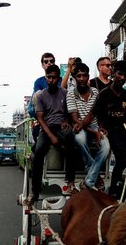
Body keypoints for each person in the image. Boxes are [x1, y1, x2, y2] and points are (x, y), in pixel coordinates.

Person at [83, 61, 126, 199]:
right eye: (120, 74)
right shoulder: (104, 93)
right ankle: (112, 190)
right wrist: (81, 124)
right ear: (113, 74)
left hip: (123, 131)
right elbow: (92, 113)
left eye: (125, 75)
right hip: (109, 131)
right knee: (122, 160)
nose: (123, 78)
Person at [27, 65, 77, 204]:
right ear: (46, 78)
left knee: (71, 141)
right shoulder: (41, 95)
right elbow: (40, 118)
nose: (51, 80)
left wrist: (66, 121)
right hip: (46, 128)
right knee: (37, 153)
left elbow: (69, 112)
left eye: (54, 77)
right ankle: (35, 192)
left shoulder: (65, 93)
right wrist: (52, 137)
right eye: (49, 77)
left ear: (58, 78)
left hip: (61, 126)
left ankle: (70, 181)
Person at [66, 63, 110, 191]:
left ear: (88, 77)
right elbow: (75, 119)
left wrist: (99, 128)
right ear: (75, 78)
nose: (81, 78)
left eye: (84, 75)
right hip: (79, 126)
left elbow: (96, 114)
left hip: (93, 125)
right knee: (79, 139)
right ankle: (95, 175)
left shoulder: (96, 92)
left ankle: (89, 180)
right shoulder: (70, 94)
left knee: (106, 146)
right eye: (78, 76)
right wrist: (93, 131)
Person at [28, 52, 62, 142]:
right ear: (42, 65)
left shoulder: (61, 80)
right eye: (46, 62)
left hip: (59, 114)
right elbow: (37, 99)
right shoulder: (39, 81)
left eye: (51, 61)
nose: (49, 63)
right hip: (44, 113)